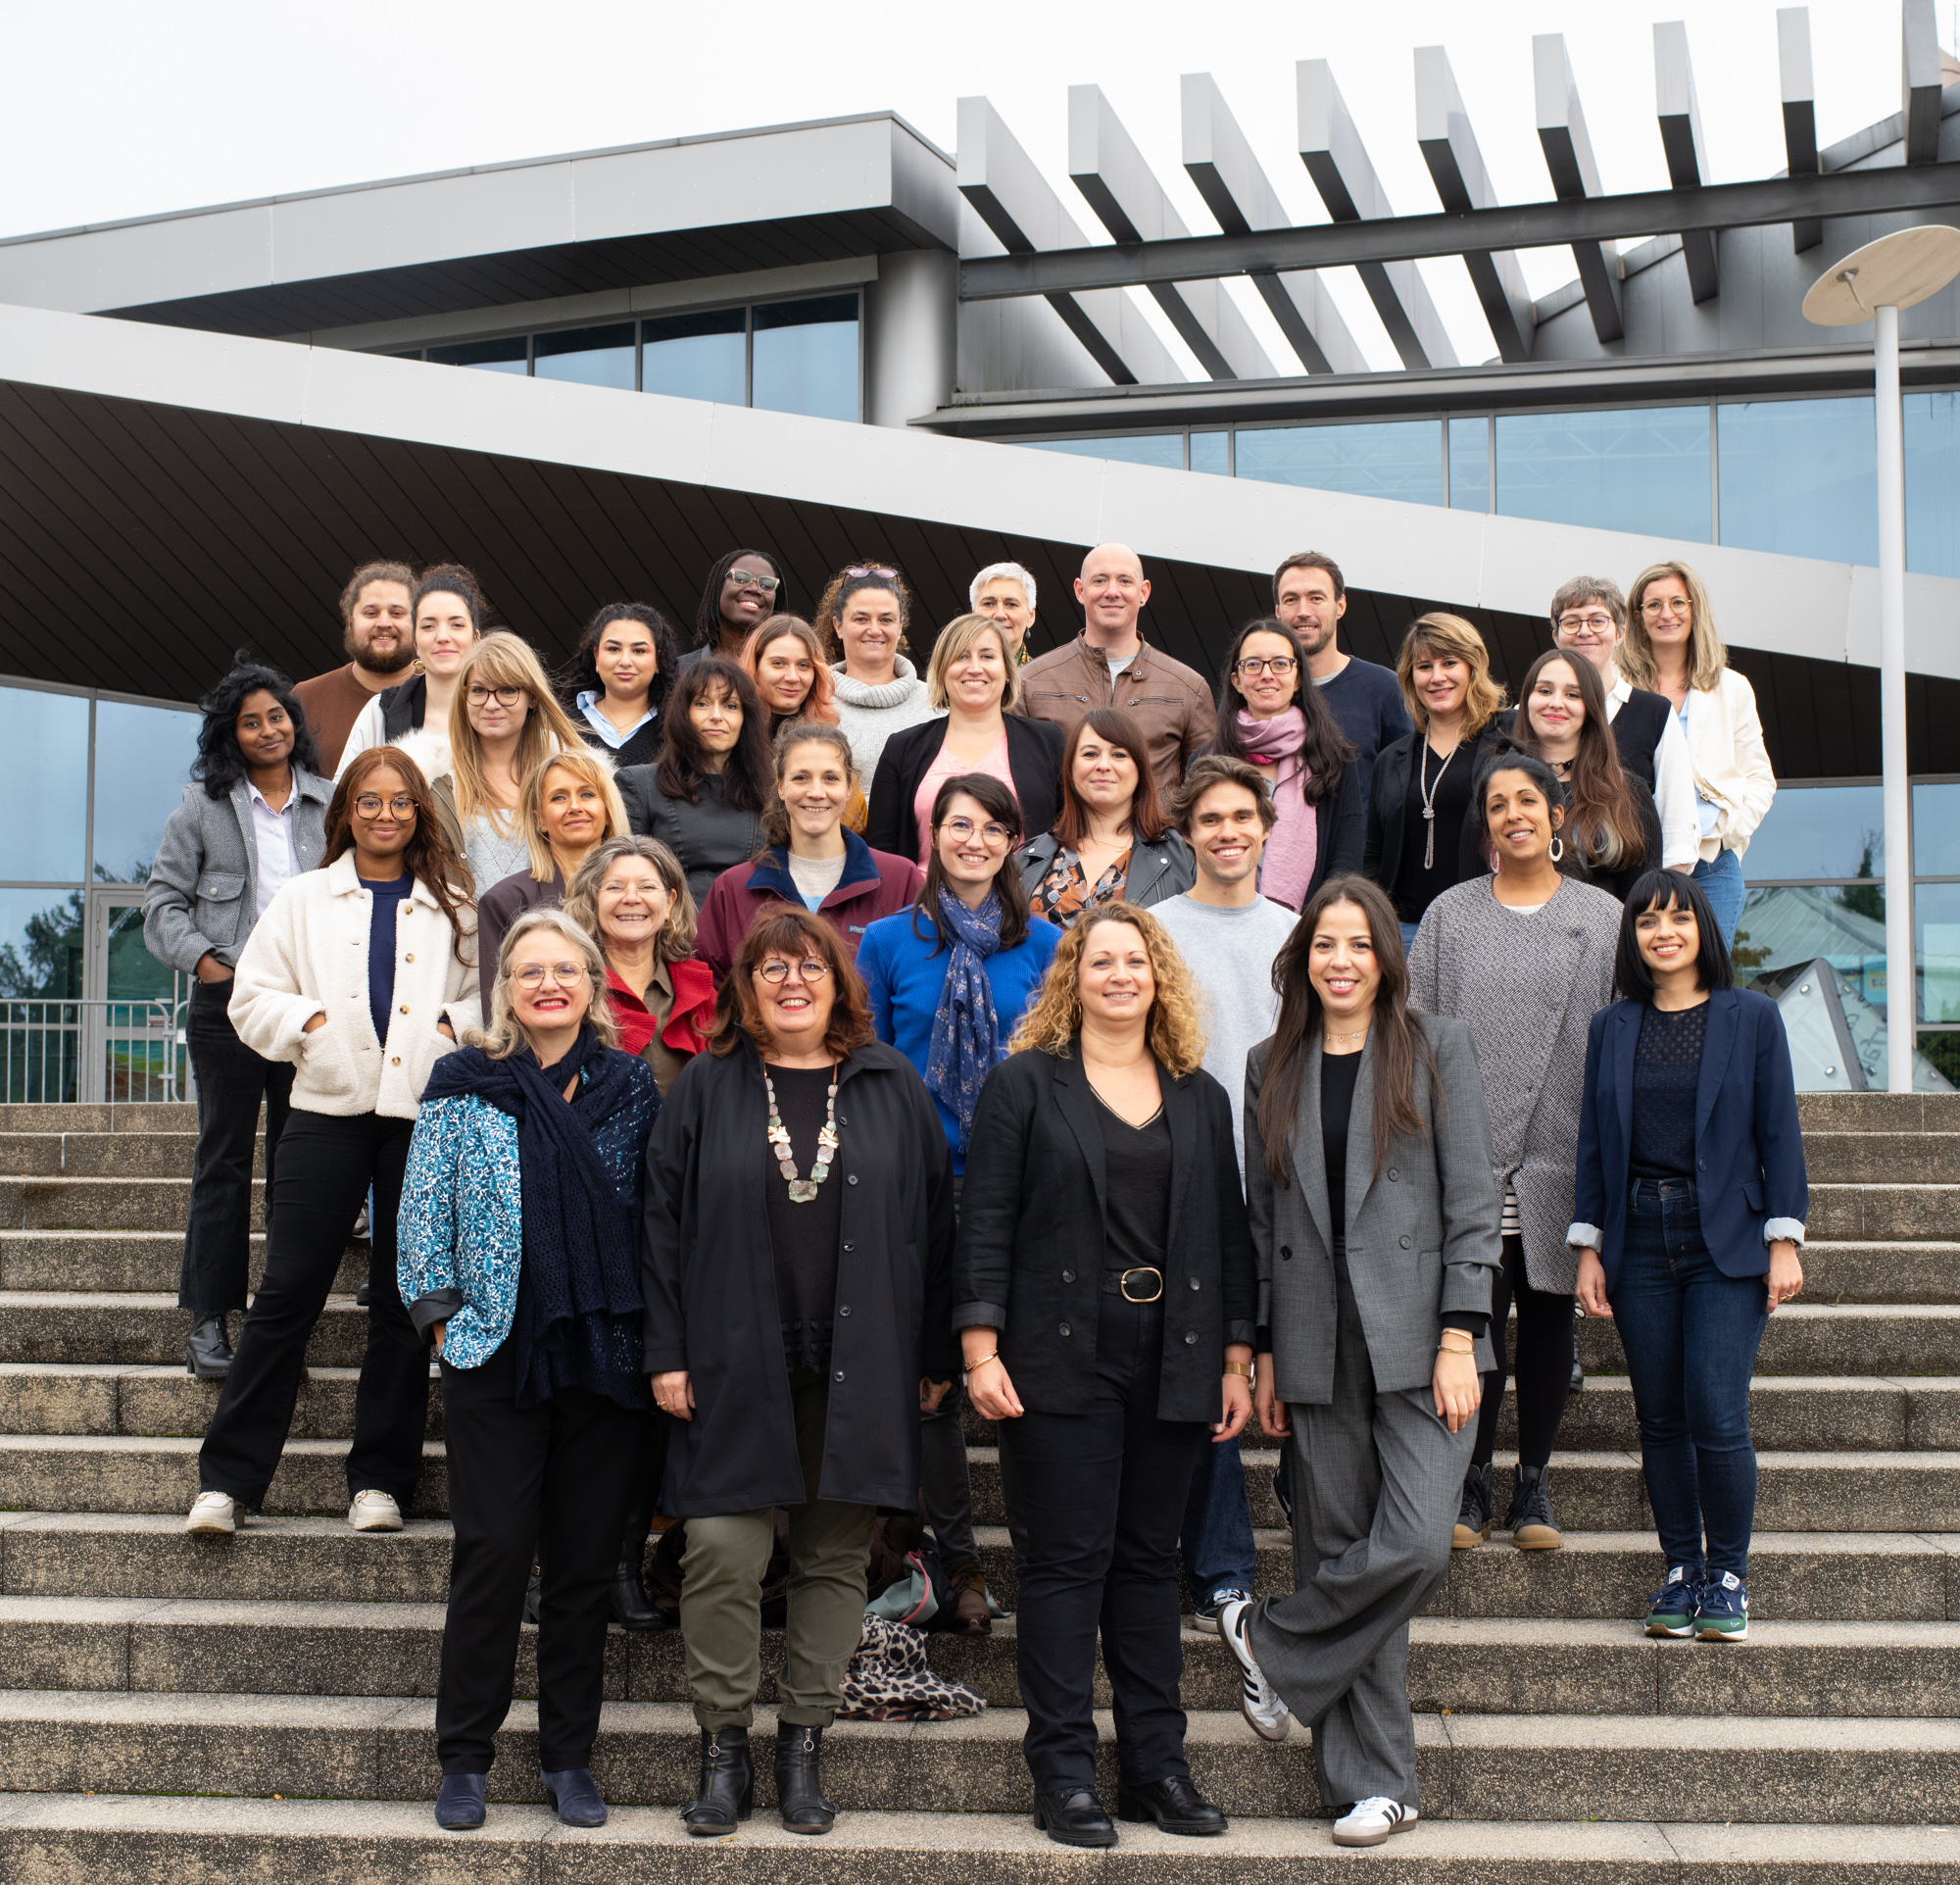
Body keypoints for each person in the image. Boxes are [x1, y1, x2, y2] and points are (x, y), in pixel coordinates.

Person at [642, 909, 957, 1838]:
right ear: (743, 986)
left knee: (831, 1555)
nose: (791, 982)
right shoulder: (707, 1086)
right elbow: (660, 1226)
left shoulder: (891, 1083)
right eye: (771, 968)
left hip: (864, 1360)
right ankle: (723, 1745)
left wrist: (936, 1353)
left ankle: (803, 1744)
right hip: (733, 1358)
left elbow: (935, 1225)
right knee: (724, 1550)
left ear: (839, 984)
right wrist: (666, 1350)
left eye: (810, 967)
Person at [958, 904, 1254, 1849]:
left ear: (1158, 975)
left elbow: (1228, 1231)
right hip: (1056, 1354)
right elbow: (987, 1220)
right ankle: (1064, 1774)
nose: (1120, 974)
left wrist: (1237, 1356)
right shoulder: (1024, 1086)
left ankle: (1157, 1768)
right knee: (1065, 1561)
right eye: (1101, 961)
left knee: (1146, 1562)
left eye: (1136, 960)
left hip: (1173, 1352)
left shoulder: (1199, 1093)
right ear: (1072, 978)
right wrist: (979, 1347)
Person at [1220, 875, 1498, 1852]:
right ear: (1301, 960)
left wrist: (1461, 1333)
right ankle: (1375, 1784)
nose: (1339, 960)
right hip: (1311, 1342)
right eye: (1322, 944)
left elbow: (1471, 1196)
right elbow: (1259, 1222)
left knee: (1417, 1543)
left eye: (1356, 944)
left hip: (1425, 1341)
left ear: (1384, 957)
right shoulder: (1270, 1064)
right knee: (1338, 1552)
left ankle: (1274, 1640)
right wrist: (1256, 1354)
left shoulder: (1433, 1050)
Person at [397, 907, 659, 1833]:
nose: (548, 983)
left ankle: (567, 1759)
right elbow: (424, 1202)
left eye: (566, 969)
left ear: (592, 984)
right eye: (529, 970)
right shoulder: (465, 1081)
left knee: (585, 1567)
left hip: (605, 1356)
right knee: (494, 1553)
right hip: (496, 1353)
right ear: (504, 988)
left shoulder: (631, 1088)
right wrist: (439, 1317)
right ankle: (464, 1757)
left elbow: (649, 1220)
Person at [184, 749, 479, 1538]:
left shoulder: (454, 901)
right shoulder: (304, 896)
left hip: (420, 1115)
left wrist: (450, 1031)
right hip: (324, 1109)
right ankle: (228, 1482)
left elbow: (490, 993)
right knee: (286, 1293)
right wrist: (307, 1025)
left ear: (420, 813)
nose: (386, 816)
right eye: (370, 802)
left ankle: (380, 1480)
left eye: (402, 804)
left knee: (397, 1301)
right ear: (345, 808)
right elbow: (252, 995)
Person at [1572, 868, 1807, 1645]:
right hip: (1636, 1238)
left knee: (1714, 1407)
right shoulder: (1612, 1026)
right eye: (1646, 921)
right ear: (1633, 938)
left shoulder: (1753, 1018)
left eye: (1677, 918)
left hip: (1726, 1245)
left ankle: (1728, 1574)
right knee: (1660, 1416)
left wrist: (1783, 1238)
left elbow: (1780, 1133)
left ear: (1703, 928)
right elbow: (1595, 1147)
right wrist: (1588, 1247)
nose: (1662, 931)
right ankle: (1681, 1569)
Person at [858, 775, 1061, 1632]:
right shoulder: (885, 941)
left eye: (992, 827)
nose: (974, 839)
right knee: (933, 1382)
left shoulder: (1050, 944)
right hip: (920, 1188)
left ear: (1016, 841)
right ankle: (956, 1562)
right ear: (932, 835)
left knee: (1037, 1372)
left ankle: (1055, 1557)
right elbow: (863, 1063)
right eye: (957, 824)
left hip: (1023, 1186)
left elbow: (1062, 1061)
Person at [1407, 751, 1620, 1555]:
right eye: (1496, 804)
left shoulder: (1601, 917)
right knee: (1478, 1318)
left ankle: (1534, 1479)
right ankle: (1471, 1479)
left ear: (1557, 814)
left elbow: (1617, 1036)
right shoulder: (1451, 916)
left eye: (1528, 799)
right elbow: (1417, 1032)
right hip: (1470, 1150)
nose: (1512, 813)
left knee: (1550, 1320)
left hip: (1564, 1149)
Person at [145, 661, 334, 1379]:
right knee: (223, 1159)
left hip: (305, 1007)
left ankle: (277, 1325)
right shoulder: (202, 806)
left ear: (294, 722)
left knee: (296, 1163)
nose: (267, 729)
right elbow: (162, 904)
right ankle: (208, 1322)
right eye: (250, 721)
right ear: (231, 733)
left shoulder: (329, 800)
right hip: (226, 1006)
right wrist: (208, 965)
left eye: (277, 716)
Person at [1152, 757, 1297, 1629]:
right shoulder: (1156, 930)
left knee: (1287, 1369)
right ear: (1188, 833)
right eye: (1210, 819)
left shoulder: (1301, 931)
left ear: (1268, 829)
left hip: (1282, 1187)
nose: (1228, 832)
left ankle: (1312, 1539)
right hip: (1185, 1184)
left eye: (1243, 816)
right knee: (1206, 1378)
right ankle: (1220, 1569)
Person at [1620, 562, 1776, 952]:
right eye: (1653, 605)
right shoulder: (1617, 686)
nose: (1666, 614)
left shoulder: (1731, 687)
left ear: (1695, 608)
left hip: (1711, 864)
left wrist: (1728, 829)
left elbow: (1760, 777)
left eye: (1677, 602)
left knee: (1705, 989)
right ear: (1637, 618)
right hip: (1632, 858)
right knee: (1628, 980)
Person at [695, 722, 920, 978]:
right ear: (780, 786)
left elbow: (919, 985)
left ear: (849, 788)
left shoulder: (901, 880)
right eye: (801, 777)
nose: (816, 792)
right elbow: (707, 988)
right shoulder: (733, 889)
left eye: (830, 778)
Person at [865, 614, 1064, 868]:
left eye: (987, 656)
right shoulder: (903, 749)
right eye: (961, 656)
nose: (974, 667)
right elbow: (880, 855)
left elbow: (1071, 833)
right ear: (942, 670)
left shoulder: (1047, 742)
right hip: (923, 902)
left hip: (1022, 902)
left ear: (1006, 670)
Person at [1018, 542, 1212, 799]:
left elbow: (1208, 790)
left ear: (1143, 592)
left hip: (1156, 838)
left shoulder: (1189, 688)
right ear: (1080, 590)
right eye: (1099, 580)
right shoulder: (1031, 682)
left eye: (1124, 581)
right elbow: (1014, 780)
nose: (1112, 591)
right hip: (1060, 837)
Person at [1363, 614, 1508, 948]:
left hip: (1483, 929)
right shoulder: (1391, 759)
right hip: (1402, 932)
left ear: (1473, 667)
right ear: (1410, 676)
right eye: (1424, 666)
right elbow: (1373, 853)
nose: (1437, 677)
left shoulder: (1506, 743)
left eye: (1449, 662)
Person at [1483, 649, 1661, 902]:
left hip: (1605, 938)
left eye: (1572, 694)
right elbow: (1474, 892)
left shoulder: (1629, 791)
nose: (1556, 702)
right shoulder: (1493, 785)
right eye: (1544, 691)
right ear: (1527, 701)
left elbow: (1645, 900)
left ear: (1591, 707)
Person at [1211, 617, 1364, 911]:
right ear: (1236, 681)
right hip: (1221, 915)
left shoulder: (1335, 759)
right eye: (1253, 664)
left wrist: (1320, 921)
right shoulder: (1207, 760)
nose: (1266, 674)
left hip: (1304, 927)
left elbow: (1347, 853)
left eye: (1280, 664)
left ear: (1297, 678)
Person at [1547, 576, 1698, 871]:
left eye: (1597, 621)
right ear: (1556, 636)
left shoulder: (1653, 713)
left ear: (1620, 633)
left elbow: (1677, 829)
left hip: (1628, 897)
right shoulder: (1526, 715)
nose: (1584, 631)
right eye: (1571, 622)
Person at [565, 835, 713, 1098]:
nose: (632, 898)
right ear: (593, 900)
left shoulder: (702, 993)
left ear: (669, 902)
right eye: (614, 888)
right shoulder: (571, 986)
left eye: (647, 887)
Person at [617, 660, 772, 910]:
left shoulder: (770, 793)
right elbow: (623, 876)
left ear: (746, 719)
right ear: (683, 714)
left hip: (750, 936)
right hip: (669, 935)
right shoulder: (639, 785)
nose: (716, 717)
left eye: (730, 706)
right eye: (702, 703)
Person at [477, 749, 631, 999]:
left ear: (608, 809)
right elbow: (498, 1008)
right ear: (539, 819)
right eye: (558, 798)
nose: (574, 806)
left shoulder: (640, 893)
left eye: (588, 794)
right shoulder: (504, 902)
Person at [439, 633, 586, 894]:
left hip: (557, 930)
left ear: (533, 697)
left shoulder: (574, 776)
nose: (491, 704)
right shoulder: (437, 783)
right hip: (466, 932)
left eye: (507, 690)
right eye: (478, 690)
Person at [1019, 709, 1192, 926]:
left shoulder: (1184, 856)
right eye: (1090, 754)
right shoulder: (1028, 859)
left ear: (1139, 768)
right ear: (1070, 767)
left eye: (1119, 755)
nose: (1103, 765)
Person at [1273, 552, 1411, 811]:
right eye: (1292, 600)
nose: (1303, 612)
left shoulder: (1383, 689)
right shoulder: (1257, 688)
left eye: (1316, 598)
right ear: (1278, 612)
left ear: (1340, 606)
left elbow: (1403, 791)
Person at [337, 564, 488, 783]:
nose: (443, 636)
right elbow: (343, 798)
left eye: (456, 624)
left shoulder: (505, 708)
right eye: (428, 626)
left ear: (476, 639)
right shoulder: (380, 711)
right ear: (415, 643)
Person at [294, 561, 417, 773]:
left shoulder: (443, 694)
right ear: (350, 621)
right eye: (371, 613)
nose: (384, 622)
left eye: (397, 613)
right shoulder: (305, 698)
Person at [819, 565, 938, 781]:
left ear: (900, 626)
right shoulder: (813, 699)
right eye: (861, 619)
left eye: (886, 619)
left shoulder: (936, 703)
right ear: (838, 626)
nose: (874, 630)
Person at [568, 602, 679, 769]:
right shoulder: (561, 725)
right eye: (613, 649)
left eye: (639, 651)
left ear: (658, 659)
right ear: (596, 656)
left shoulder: (680, 728)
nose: (625, 661)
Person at [682, 549, 786, 667]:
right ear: (717, 588)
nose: (754, 589)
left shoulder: (788, 677)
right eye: (741, 579)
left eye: (766, 585)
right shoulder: (675, 672)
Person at [741, 615, 840, 735]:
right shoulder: (731, 734)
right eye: (778, 663)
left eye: (803, 665)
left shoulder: (829, 737)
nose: (792, 677)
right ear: (754, 666)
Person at [972, 560, 1040, 661]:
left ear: (1030, 616)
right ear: (973, 614)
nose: (1000, 615)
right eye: (988, 603)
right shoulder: (949, 674)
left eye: (1011, 604)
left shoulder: (1045, 676)